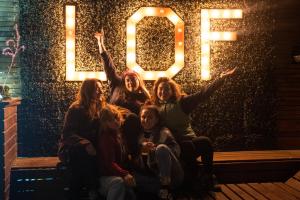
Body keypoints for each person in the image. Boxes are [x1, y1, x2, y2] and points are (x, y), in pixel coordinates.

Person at [151, 68, 236, 191]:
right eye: (160, 89)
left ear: (172, 90)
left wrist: (221, 79)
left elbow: (203, 94)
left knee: (205, 142)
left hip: (190, 141)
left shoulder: (183, 102)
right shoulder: (154, 108)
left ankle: (208, 177)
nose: (163, 91)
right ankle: (194, 180)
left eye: (166, 88)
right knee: (187, 146)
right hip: (173, 146)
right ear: (156, 91)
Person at [95, 30, 150, 159]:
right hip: (110, 122)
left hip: (129, 130)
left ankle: (132, 157)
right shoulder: (118, 86)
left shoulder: (145, 98)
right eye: (127, 80)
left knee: (132, 119)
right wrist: (100, 43)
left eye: (133, 79)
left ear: (139, 81)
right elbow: (108, 66)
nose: (130, 82)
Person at [59, 78, 104, 200]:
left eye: (101, 88)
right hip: (73, 149)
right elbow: (67, 134)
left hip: (90, 150)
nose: (101, 92)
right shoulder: (76, 108)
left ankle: (95, 189)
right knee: (83, 157)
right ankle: (92, 190)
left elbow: (115, 111)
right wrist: (85, 143)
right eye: (97, 89)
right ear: (88, 91)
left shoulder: (99, 106)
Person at [138, 104, 184, 200]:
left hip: (172, 174)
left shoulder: (163, 131)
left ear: (157, 119)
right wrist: (142, 150)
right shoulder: (139, 136)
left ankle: (165, 187)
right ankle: (165, 192)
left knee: (161, 148)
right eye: (143, 117)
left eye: (150, 117)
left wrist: (155, 149)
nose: (146, 120)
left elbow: (176, 150)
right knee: (132, 179)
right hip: (154, 176)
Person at [97, 104, 136, 200]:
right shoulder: (106, 138)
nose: (115, 121)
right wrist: (125, 174)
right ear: (105, 123)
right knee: (118, 182)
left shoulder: (119, 134)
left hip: (117, 173)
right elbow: (109, 163)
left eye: (116, 117)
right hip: (105, 177)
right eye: (110, 120)